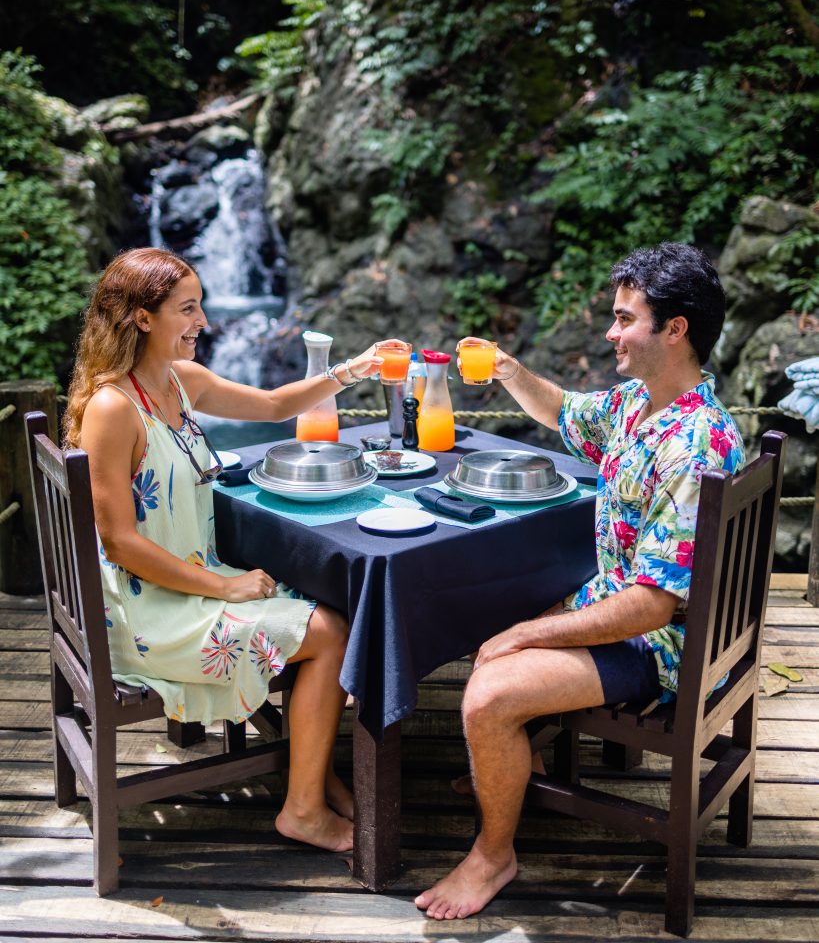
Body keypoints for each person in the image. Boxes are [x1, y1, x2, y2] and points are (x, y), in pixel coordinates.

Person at [415, 242, 745, 919]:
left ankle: (493, 854)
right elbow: (563, 413)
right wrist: (507, 369)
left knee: (486, 692)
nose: (610, 332)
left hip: (664, 649)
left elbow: (651, 608)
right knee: (483, 601)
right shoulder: (637, 405)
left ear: (673, 329)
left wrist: (524, 635)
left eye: (624, 319)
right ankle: (513, 764)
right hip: (619, 605)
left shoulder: (693, 445)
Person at [64, 246, 405, 855]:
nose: (203, 323)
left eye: (201, 308)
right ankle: (302, 808)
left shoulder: (179, 381)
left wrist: (352, 369)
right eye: (187, 309)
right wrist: (225, 586)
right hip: (145, 613)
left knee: (323, 601)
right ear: (143, 318)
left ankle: (313, 769)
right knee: (331, 630)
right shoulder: (114, 409)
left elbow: (274, 406)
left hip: (185, 582)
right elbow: (118, 541)